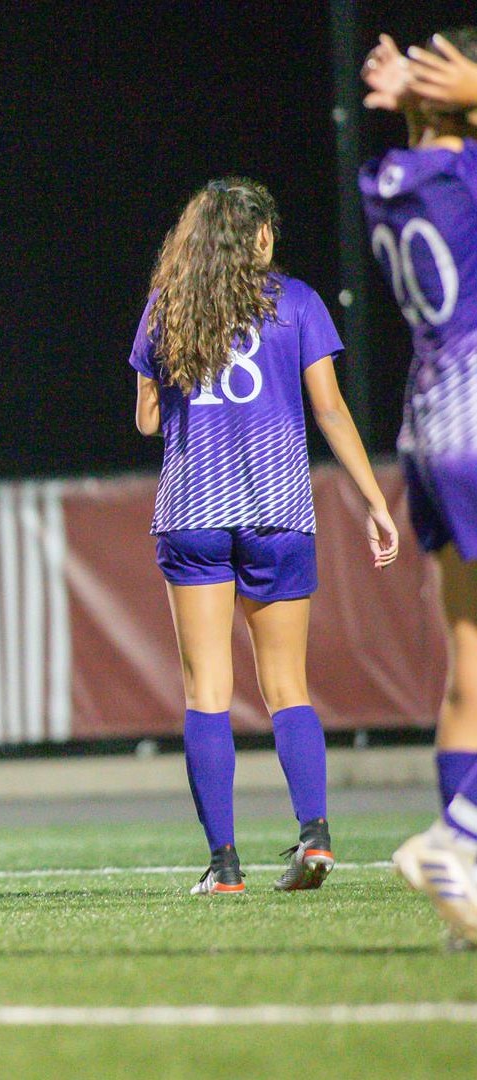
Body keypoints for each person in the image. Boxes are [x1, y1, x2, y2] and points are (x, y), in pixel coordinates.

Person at [128, 180, 399, 896]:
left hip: (194, 512)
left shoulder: (169, 307)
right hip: (278, 511)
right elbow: (332, 412)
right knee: (286, 687)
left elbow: (148, 422)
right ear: (264, 239)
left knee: (207, 691)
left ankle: (224, 866)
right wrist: (374, 501)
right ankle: (314, 834)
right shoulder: (299, 302)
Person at [361, 27, 477, 942]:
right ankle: (458, 835)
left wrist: (426, 109)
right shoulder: (462, 178)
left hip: (427, 423)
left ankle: (461, 896)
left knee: (468, 669)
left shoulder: (393, 182)